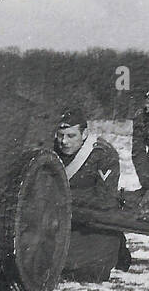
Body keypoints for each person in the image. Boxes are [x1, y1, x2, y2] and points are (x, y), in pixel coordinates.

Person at [53, 106, 130, 281]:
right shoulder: (52, 149)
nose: (64, 142)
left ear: (85, 134)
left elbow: (105, 200)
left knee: (86, 270)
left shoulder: (103, 154)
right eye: (60, 136)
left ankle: (118, 250)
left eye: (71, 136)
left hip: (91, 221)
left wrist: (61, 199)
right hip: (61, 218)